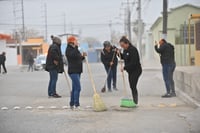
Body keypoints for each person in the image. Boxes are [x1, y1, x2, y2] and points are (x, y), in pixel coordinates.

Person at [119, 36, 142, 105]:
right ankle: (134, 101)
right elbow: (124, 57)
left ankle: (135, 101)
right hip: (131, 71)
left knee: (133, 85)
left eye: (123, 45)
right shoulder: (125, 50)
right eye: (121, 46)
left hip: (136, 70)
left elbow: (134, 62)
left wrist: (125, 68)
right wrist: (119, 53)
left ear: (127, 43)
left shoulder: (133, 50)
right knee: (132, 86)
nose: (123, 47)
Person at [65, 36, 87, 109]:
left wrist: (83, 56)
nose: (77, 42)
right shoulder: (69, 49)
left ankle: (72, 103)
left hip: (78, 71)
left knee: (74, 88)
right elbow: (72, 55)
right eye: (75, 41)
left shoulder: (75, 49)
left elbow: (78, 58)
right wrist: (76, 47)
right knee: (78, 88)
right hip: (73, 71)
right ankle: (76, 104)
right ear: (72, 42)